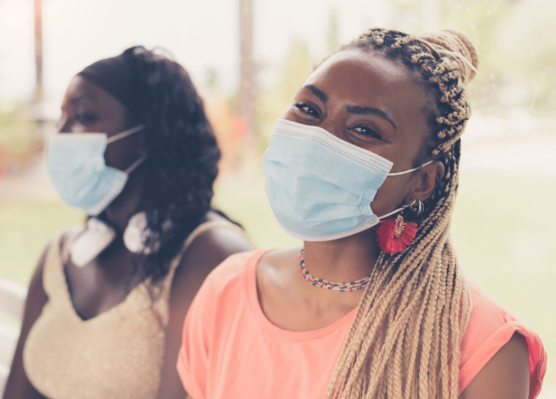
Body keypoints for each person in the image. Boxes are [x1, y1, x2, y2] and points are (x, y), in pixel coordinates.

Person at [177, 28, 547, 399]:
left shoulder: (481, 345)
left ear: (421, 181)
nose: (319, 138)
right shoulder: (225, 291)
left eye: (363, 129)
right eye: (308, 109)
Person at [2, 46, 252, 399]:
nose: (61, 135)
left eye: (84, 116)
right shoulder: (59, 255)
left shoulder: (210, 256)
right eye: (62, 118)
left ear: (148, 134)